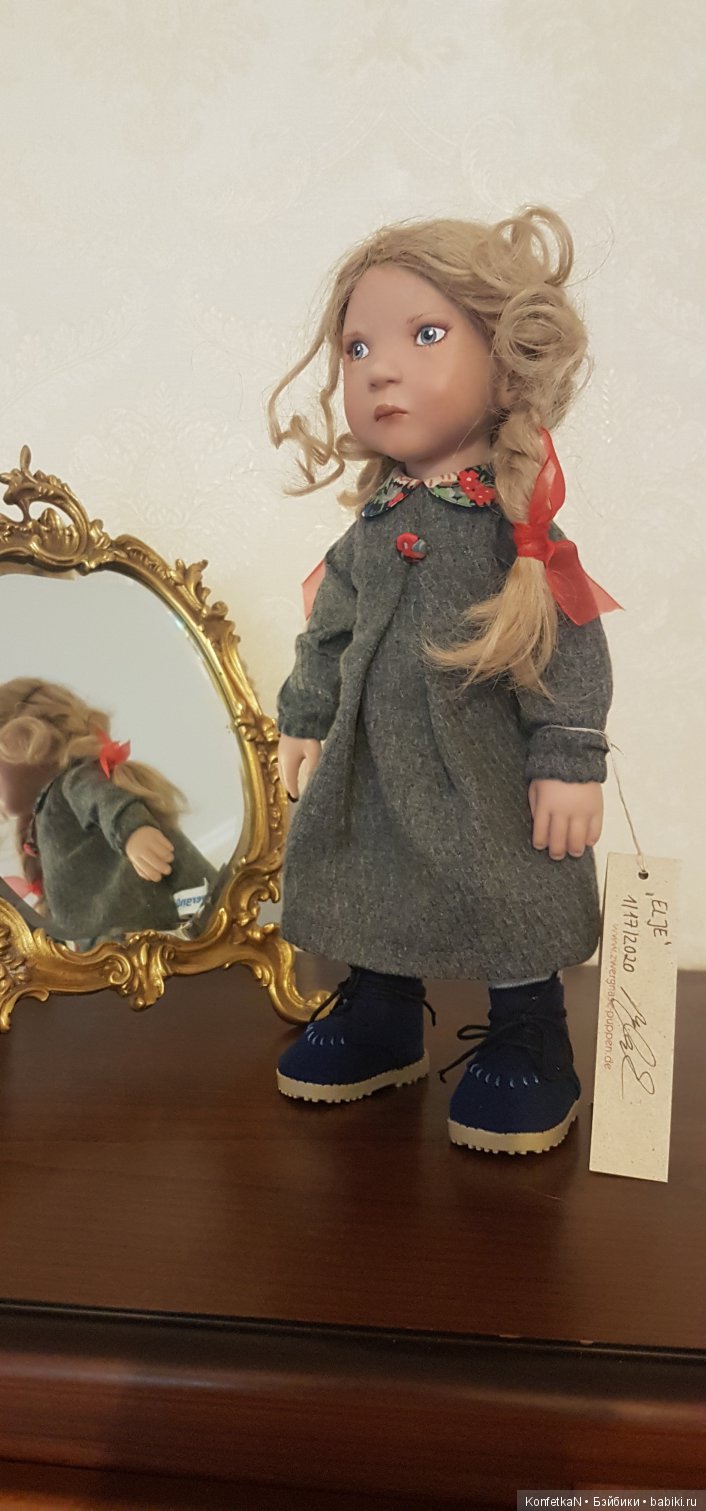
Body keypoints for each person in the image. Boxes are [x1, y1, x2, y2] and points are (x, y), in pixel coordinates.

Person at [267, 206, 619, 1155]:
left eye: (425, 335)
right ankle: (383, 1006)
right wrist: (306, 715)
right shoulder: (370, 528)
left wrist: (569, 755)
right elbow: (328, 631)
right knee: (368, 872)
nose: (380, 368)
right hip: (377, 763)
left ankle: (529, 1027)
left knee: (511, 888)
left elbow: (568, 637)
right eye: (357, 348)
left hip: (486, 772)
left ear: (506, 362)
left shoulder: (517, 530)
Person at [0, 678, 216, 947]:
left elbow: (105, 800)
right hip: (100, 941)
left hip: (134, 922)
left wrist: (133, 831)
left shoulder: (71, 784)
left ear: (27, 731)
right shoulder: (38, 830)